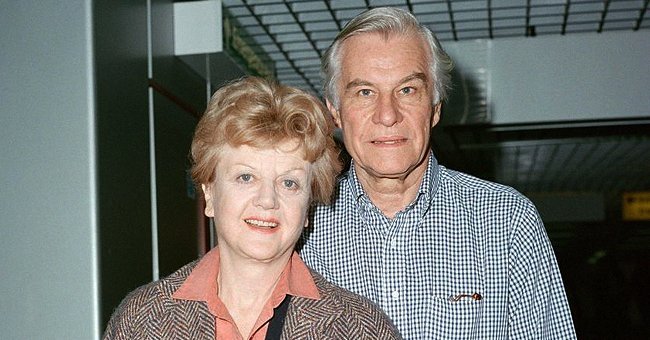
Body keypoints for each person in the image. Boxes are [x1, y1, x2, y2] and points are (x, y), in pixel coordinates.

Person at [300, 7, 577, 339]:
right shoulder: (300, 224)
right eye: (364, 93)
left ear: (434, 108)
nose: (387, 115)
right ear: (335, 113)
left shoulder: (507, 221)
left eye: (407, 90)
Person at [103, 76, 401, 340]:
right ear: (209, 193)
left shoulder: (359, 327)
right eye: (246, 177)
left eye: (289, 183)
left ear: (308, 207)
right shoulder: (142, 319)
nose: (267, 200)